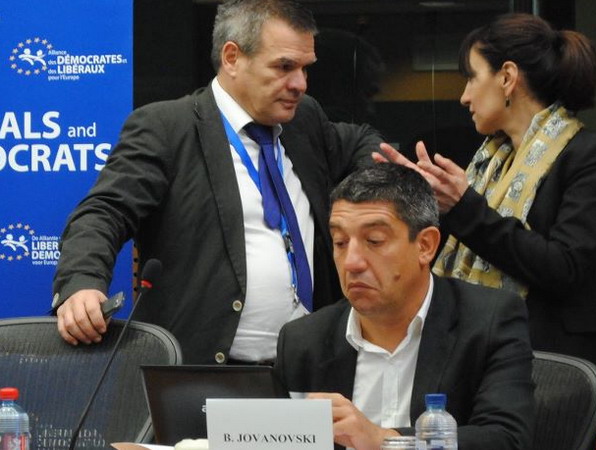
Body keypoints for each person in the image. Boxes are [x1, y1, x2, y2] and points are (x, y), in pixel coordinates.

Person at [51, 0, 382, 364]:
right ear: (232, 58)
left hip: (309, 369)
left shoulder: (304, 120)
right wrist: (82, 282)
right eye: (284, 67)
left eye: (306, 68)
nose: (300, 84)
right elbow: (105, 212)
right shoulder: (167, 129)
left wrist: (376, 189)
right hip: (207, 371)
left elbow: (362, 141)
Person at [376, 13, 596, 368]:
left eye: (471, 77)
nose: (464, 97)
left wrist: (464, 207)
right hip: (481, 353)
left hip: (552, 366)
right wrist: (418, 200)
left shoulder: (586, 156)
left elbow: (565, 268)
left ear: (507, 77)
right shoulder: (489, 161)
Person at [275, 164, 534, 450]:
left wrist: (384, 441)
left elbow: (506, 439)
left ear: (425, 245)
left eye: (374, 241)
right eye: (340, 242)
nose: (352, 262)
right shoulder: (302, 341)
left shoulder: (488, 321)